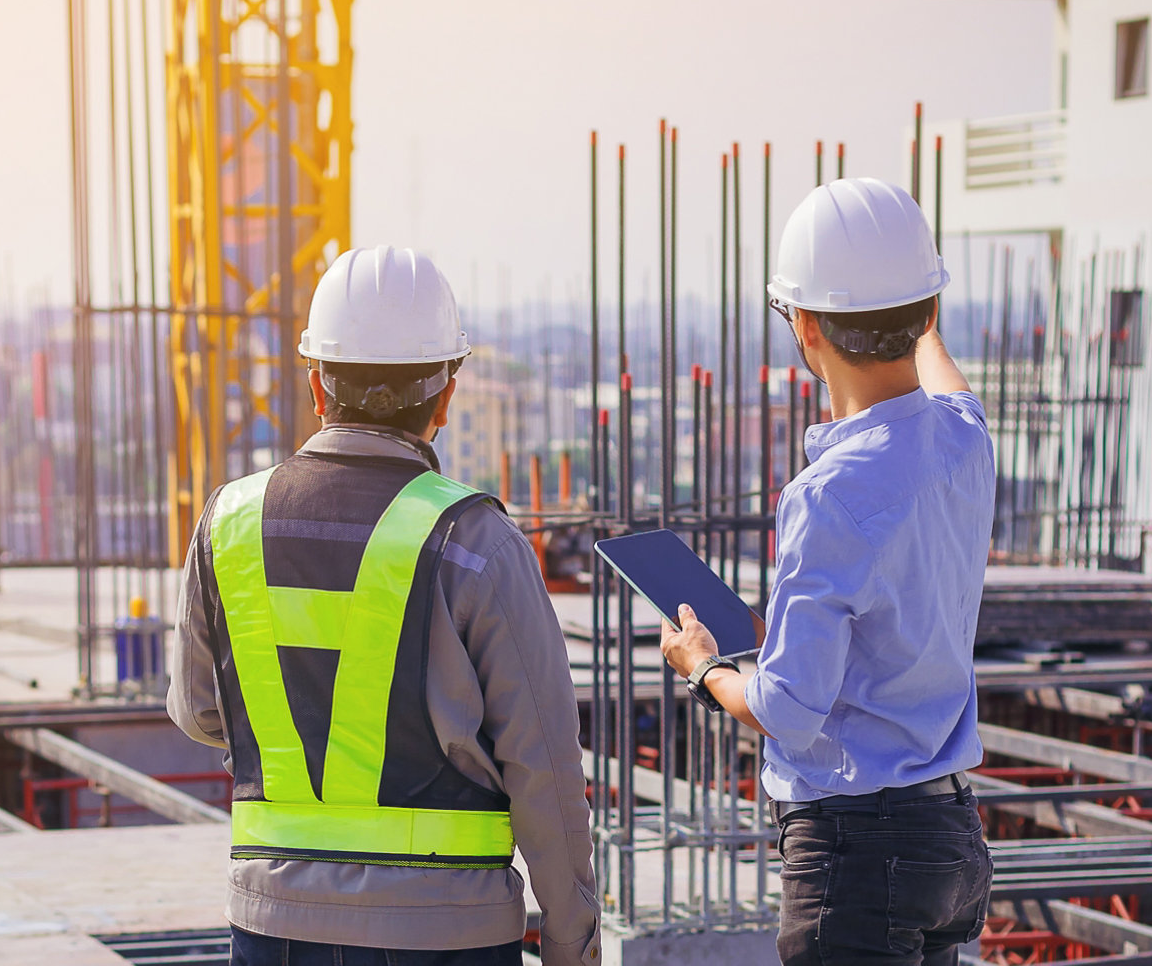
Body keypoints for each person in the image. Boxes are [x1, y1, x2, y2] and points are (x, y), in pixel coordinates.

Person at [169, 246, 601, 966]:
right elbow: (544, 767)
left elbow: (197, 711)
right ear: (445, 395)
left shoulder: (226, 523)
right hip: (445, 935)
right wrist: (572, 941)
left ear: (315, 383)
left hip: (275, 926)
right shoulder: (476, 542)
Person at [660, 178, 994, 966]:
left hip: (857, 853)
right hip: (950, 841)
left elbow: (789, 707)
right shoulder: (965, 440)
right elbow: (946, 380)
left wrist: (703, 665)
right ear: (929, 313)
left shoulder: (828, 495)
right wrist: (918, 303)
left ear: (803, 324)